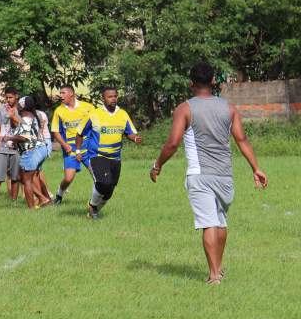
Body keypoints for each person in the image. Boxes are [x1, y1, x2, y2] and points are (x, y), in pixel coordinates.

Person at [150, 63, 268, 285]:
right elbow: (241, 140)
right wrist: (256, 168)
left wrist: (157, 165)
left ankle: (214, 276)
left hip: (200, 174)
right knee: (220, 222)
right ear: (214, 81)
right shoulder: (229, 108)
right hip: (225, 175)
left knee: (208, 223)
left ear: (191, 83)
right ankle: (218, 269)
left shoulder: (184, 109)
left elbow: (173, 143)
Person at [73, 87, 142, 219]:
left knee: (109, 190)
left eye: (115, 96)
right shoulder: (94, 114)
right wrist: (77, 150)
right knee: (103, 183)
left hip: (115, 157)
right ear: (103, 99)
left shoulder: (122, 114)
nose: (113, 99)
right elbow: (80, 133)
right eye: (110, 97)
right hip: (97, 155)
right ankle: (93, 206)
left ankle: (93, 211)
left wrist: (135, 138)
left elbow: (129, 132)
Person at [51, 84, 94, 204]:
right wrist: (65, 146)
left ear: (72, 94)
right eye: (60, 93)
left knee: (96, 175)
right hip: (70, 148)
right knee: (69, 178)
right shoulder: (59, 111)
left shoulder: (88, 107)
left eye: (63, 93)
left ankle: (95, 202)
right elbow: (55, 131)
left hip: (87, 146)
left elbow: (97, 125)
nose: (61, 95)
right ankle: (59, 195)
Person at [6, 97, 51, 209]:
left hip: (31, 151)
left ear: (23, 106)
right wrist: (12, 116)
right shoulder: (30, 117)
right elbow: (17, 127)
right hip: (39, 149)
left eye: (19, 104)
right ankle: (43, 198)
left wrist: (8, 138)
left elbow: (24, 137)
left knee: (26, 180)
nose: (17, 105)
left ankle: (32, 207)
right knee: (23, 177)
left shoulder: (26, 118)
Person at [0, 88, 21, 202]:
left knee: (15, 177)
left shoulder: (21, 109)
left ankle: (14, 200)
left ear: (16, 96)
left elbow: (19, 126)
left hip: (16, 147)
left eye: (10, 97)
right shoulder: (2, 108)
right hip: (2, 147)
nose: (8, 100)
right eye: (6, 97)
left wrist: (12, 115)